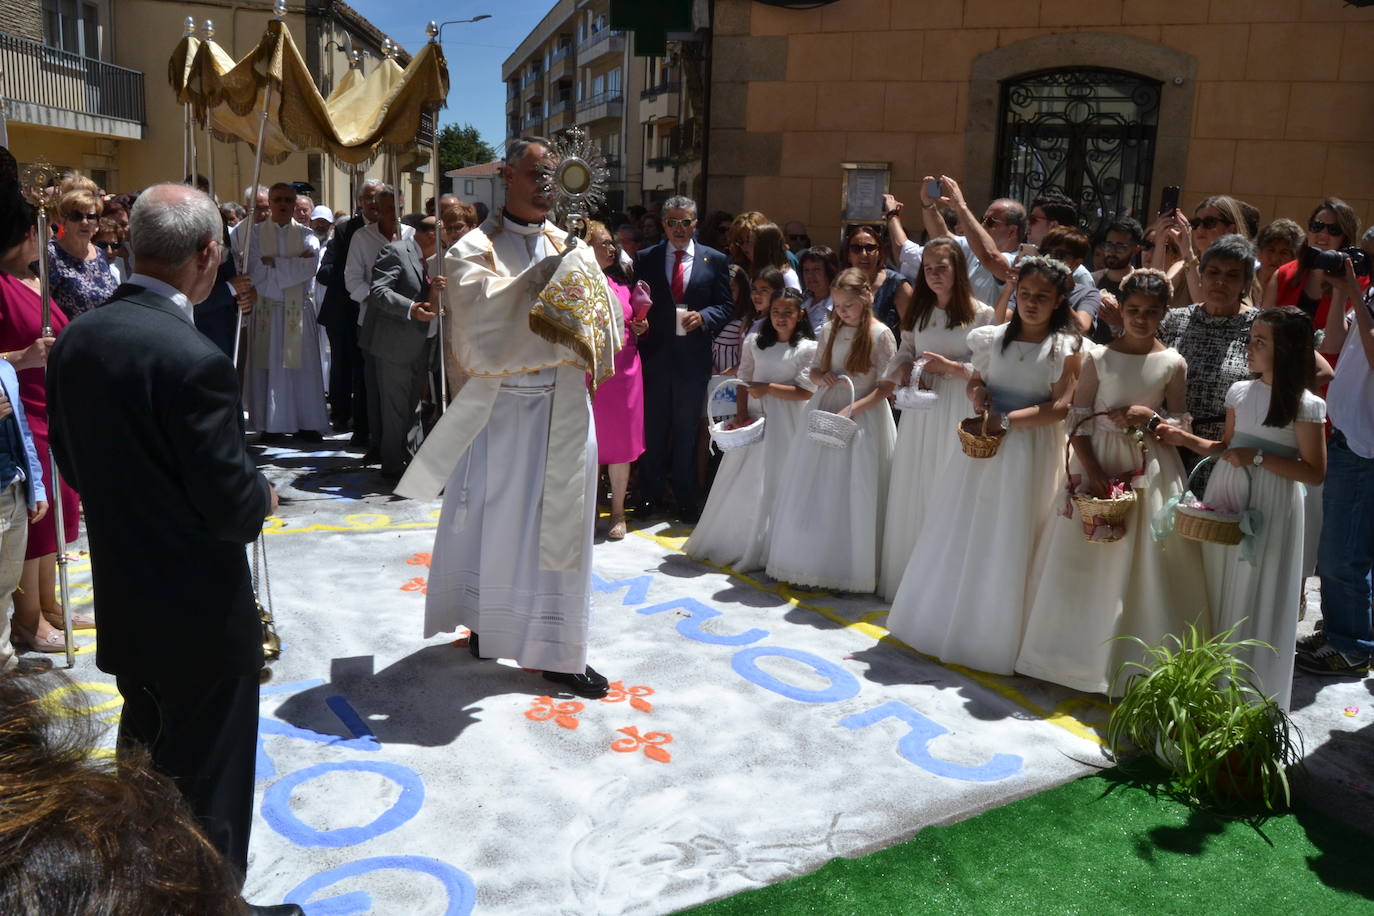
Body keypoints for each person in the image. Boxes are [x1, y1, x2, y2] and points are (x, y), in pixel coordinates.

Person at [46, 184, 291, 915]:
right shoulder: (194, 358)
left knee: (148, 772)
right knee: (209, 785)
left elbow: (72, 466)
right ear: (208, 254)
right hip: (202, 617)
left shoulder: (79, 337)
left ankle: (153, 896)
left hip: (126, 597)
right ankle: (212, 905)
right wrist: (263, 494)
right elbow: (232, 511)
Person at [397, 136, 619, 699]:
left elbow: (603, 323)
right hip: (504, 412)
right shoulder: (473, 247)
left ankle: (559, 650)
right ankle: (486, 623)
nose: (546, 183)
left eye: (552, 173)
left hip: (564, 406)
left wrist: (584, 283)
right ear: (508, 176)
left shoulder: (572, 245)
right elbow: (477, 324)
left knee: (562, 529)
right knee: (495, 524)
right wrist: (542, 284)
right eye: (535, 172)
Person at [887, 258, 1083, 675]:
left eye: (1042, 297)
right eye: (1025, 295)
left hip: (1029, 447)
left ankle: (999, 632)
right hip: (984, 443)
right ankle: (951, 617)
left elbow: (1061, 407)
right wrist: (978, 395)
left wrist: (1010, 421)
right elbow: (978, 378)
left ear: (1059, 300)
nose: (1031, 304)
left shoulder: (1064, 349)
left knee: (1014, 529)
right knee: (967, 523)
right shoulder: (993, 338)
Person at [1016, 270, 1207, 693]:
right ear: (1121, 309)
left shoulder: (1173, 362)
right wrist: (1095, 472)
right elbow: (1078, 418)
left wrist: (1148, 417)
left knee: (1142, 558)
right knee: (1088, 553)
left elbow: (1178, 422)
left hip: (1148, 467)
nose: (1141, 319)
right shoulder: (1098, 357)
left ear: (1164, 313)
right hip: (1098, 457)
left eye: (1151, 312)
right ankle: (1069, 656)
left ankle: (1133, 660)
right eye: (1133, 310)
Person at [1156, 307, 1326, 711]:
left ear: (1285, 349)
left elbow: (1313, 472)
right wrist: (1182, 438)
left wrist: (1259, 458)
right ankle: (1211, 686)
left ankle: (1251, 695)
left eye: (1260, 342)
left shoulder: (1305, 406)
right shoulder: (1240, 392)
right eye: (1251, 338)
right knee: (1220, 581)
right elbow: (1226, 449)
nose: (1249, 348)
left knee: (1259, 585)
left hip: (1272, 500)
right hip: (1229, 492)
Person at [0, 672, 249, 914]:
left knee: (145, 705)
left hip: (134, 639)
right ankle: (216, 892)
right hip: (204, 642)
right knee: (209, 722)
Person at [765, 268, 897, 593]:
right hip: (825, 411)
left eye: (848, 305)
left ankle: (848, 569)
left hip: (862, 415)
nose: (842, 312)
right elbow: (814, 370)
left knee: (853, 491)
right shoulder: (829, 330)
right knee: (819, 489)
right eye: (838, 306)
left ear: (866, 298)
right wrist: (820, 376)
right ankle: (812, 562)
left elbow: (885, 388)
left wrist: (853, 408)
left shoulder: (881, 335)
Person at [877, 238, 994, 601]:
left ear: (958, 269)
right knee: (917, 481)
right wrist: (897, 375)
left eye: (942, 267)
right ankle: (908, 575)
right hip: (921, 410)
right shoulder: (919, 312)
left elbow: (990, 369)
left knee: (949, 484)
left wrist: (953, 367)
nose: (934, 275)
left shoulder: (983, 315)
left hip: (957, 408)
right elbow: (906, 351)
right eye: (928, 269)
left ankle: (945, 584)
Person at [687, 288, 817, 570]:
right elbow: (744, 380)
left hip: (788, 422)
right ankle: (740, 539)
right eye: (775, 312)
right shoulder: (755, 342)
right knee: (747, 478)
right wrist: (741, 414)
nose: (781, 318)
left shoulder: (807, 349)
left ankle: (776, 544)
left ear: (800, 315)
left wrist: (769, 388)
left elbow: (805, 391)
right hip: (757, 420)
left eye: (788, 313)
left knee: (781, 477)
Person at [0, 191, 78, 657]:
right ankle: (27, 620)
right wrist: (23, 357)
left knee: (58, 510)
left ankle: (48, 604)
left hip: (50, 406)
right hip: (21, 413)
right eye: (46, 229)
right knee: (33, 518)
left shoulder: (32, 279)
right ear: (29, 233)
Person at [635, 194, 734, 522]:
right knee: (653, 431)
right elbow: (636, 300)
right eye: (673, 222)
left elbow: (726, 305)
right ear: (664, 224)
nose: (679, 228)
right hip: (654, 360)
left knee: (688, 433)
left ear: (696, 224)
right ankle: (648, 496)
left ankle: (686, 499)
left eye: (686, 222)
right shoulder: (646, 257)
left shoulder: (714, 260)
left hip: (693, 363)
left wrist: (705, 316)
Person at [1304, 262, 1374, 676]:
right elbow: (1336, 343)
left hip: (1365, 445)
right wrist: (1343, 292)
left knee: (1343, 554)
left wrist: (1353, 291)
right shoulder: (1367, 292)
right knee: (1338, 547)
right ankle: (1339, 629)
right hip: (1348, 434)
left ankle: (1351, 646)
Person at [1157, 235, 1263, 460]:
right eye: (1213, 272)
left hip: (1228, 452)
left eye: (1232, 275)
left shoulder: (1262, 327)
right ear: (1201, 275)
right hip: (1168, 446)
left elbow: (1319, 371)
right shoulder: (1172, 321)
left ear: (1245, 283)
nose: (1220, 281)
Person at [239, 182, 330, 442]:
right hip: (267, 310)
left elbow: (309, 267)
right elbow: (254, 270)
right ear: (270, 202)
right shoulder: (254, 234)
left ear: (293, 204)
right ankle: (271, 425)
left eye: (287, 200)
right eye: (277, 199)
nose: (282, 204)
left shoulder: (306, 235)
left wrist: (275, 263)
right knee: (268, 369)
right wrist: (288, 266)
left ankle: (308, 423)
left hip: (296, 311)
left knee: (303, 370)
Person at [365, 213, 441, 480]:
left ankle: (409, 459)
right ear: (427, 233)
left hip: (422, 343)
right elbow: (378, 291)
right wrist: (410, 308)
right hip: (394, 345)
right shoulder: (396, 251)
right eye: (438, 230)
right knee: (395, 408)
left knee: (413, 407)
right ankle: (393, 466)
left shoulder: (437, 260)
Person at [587, 220, 647, 541]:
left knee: (620, 445)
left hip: (624, 370)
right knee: (589, 443)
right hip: (590, 371)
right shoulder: (575, 285)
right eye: (604, 243)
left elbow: (633, 321)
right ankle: (590, 508)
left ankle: (619, 512)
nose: (612, 248)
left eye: (612, 244)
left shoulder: (621, 284)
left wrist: (641, 325)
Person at [346, 185, 414, 461]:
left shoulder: (413, 235)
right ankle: (378, 443)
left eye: (396, 209)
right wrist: (377, 301)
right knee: (374, 386)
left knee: (407, 387)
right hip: (373, 320)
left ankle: (407, 445)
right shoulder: (362, 237)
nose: (390, 215)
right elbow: (352, 279)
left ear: (403, 206)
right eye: (385, 209)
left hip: (409, 322)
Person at [887, 178, 1023, 308]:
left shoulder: (1018, 262)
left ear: (1012, 231)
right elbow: (942, 237)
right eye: (983, 219)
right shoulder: (972, 247)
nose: (982, 225)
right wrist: (928, 205)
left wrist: (961, 207)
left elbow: (990, 257)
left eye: (991, 222)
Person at [316, 179, 381, 440]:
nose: (373, 202)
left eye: (378, 197)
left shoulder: (392, 227)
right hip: (343, 309)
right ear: (359, 201)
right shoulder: (345, 230)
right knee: (342, 364)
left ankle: (364, 420)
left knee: (365, 367)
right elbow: (330, 270)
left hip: (372, 310)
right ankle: (341, 415)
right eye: (368, 197)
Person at [1261, 198, 1363, 332]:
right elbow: (1263, 330)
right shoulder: (1283, 274)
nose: (1323, 234)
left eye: (1334, 229)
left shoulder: (1359, 284)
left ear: (1345, 237)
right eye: (1317, 226)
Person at [47, 187, 118, 319]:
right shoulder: (51, 255)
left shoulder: (100, 254)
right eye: (76, 216)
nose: (84, 222)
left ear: (97, 224)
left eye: (90, 217)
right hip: (70, 336)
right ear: (64, 222)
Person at [844, 224, 911, 334]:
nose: (864, 254)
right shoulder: (842, 284)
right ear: (848, 255)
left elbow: (911, 332)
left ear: (879, 253)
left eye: (870, 248)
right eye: (856, 249)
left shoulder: (898, 284)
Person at [1092, 217, 1143, 300]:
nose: (1112, 252)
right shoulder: (1092, 280)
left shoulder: (1139, 286)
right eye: (1109, 245)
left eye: (1120, 247)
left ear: (1135, 250)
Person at [1255, 218, 1303, 294]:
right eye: (1271, 250)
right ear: (1259, 252)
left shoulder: (1295, 292)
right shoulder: (1243, 280)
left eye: (1283, 253)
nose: (1274, 259)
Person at [798, 245, 839, 332]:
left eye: (816, 269)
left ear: (830, 272)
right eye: (806, 270)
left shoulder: (840, 306)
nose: (810, 275)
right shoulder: (800, 301)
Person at [752, 222, 802, 291]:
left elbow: (795, 300)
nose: (747, 247)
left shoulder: (787, 276)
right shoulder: (754, 274)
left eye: (752, 243)